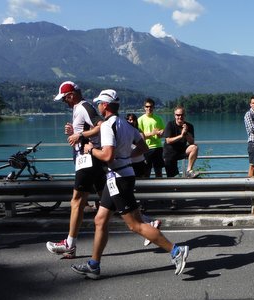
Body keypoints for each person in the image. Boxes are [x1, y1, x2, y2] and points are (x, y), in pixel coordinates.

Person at [71, 89, 189, 279]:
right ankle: (94, 265)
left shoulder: (109, 126)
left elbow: (108, 156)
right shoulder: (125, 124)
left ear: (106, 105)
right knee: (100, 220)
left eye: (100, 103)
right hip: (119, 176)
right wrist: (125, 157)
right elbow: (142, 147)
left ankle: (176, 251)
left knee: (135, 225)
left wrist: (91, 149)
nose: (99, 106)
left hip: (118, 178)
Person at [46, 81, 105, 258]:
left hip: (88, 160)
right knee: (110, 201)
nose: (65, 102)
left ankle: (70, 244)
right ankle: (148, 223)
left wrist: (79, 135)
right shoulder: (78, 108)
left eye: (64, 99)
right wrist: (74, 131)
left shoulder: (84, 107)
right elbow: (88, 129)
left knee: (77, 201)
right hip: (88, 160)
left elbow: (101, 125)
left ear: (71, 95)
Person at [126, 113, 161, 246]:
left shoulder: (135, 133)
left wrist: (127, 156)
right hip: (127, 166)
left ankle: (149, 223)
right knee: (125, 206)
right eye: (128, 119)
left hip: (135, 165)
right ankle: (149, 223)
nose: (130, 121)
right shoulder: (129, 131)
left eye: (132, 119)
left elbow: (143, 147)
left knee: (127, 204)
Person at [163, 106, 200, 179]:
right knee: (173, 178)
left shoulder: (189, 126)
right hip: (169, 154)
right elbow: (168, 140)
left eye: (182, 115)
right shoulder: (170, 124)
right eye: (177, 115)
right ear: (174, 115)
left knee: (194, 147)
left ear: (185, 115)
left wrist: (186, 133)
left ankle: (189, 171)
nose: (180, 117)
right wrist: (181, 135)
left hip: (181, 151)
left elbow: (191, 142)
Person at [137, 98, 165, 178]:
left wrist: (161, 133)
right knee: (146, 171)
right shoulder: (140, 120)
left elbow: (162, 132)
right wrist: (152, 133)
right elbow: (139, 136)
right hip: (146, 148)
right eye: (147, 106)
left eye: (151, 106)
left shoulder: (159, 119)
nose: (149, 108)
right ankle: (147, 189)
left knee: (158, 171)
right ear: (144, 107)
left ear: (153, 107)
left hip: (158, 147)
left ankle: (160, 189)